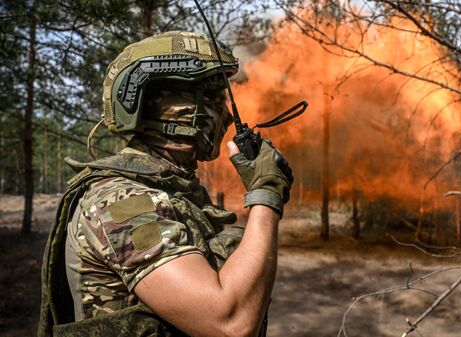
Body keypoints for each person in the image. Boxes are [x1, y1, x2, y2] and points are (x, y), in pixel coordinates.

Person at [38, 31, 293, 337]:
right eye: (211, 98)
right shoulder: (121, 202)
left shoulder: (172, 190)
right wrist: (265, 194)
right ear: (157, 106)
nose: (225, 114)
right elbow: (230, 322)